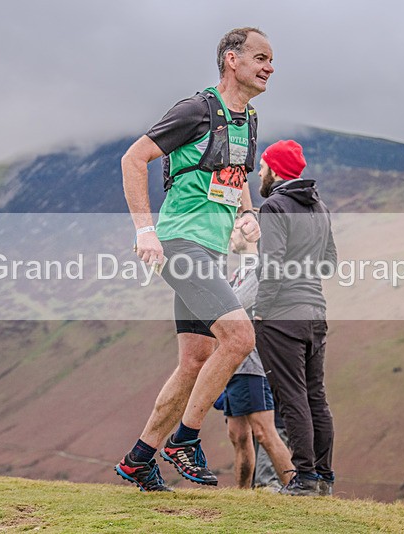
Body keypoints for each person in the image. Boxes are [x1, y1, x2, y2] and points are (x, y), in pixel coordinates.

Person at [115, 27, 274, 491]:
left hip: (211, 249)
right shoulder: (196, 110)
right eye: (260, 57)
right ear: (231, 60)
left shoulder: (249, 119)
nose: (269, 68)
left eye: (272, 61)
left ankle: (139, 457)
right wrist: (146, 230)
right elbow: (133, 158)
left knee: (195, 361)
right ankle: (184, 439)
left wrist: (246, 213)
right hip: (178, 244)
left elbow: (237, 172)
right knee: (240, 337)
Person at [253, 140, 337, 497]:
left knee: (292, 398)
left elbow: (271, 266)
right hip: (315, 313)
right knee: (315, 397)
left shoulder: (273, 207)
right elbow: (330, 262)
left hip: (281, 317)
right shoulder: (319, 207)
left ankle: (303, 479)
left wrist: (261, 311)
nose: (259, 172)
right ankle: (323, 477)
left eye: (263, 166)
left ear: (275, 170)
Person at [221, 218, 294, 489]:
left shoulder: (256, 269)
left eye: (236, 229)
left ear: (250, 233)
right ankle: (242, 497)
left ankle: (296, 487)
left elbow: (234, 306)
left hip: (251, 364)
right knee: (238, 435)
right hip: (233, 367)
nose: (231, 235)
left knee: (264, 432)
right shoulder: (238, 272)